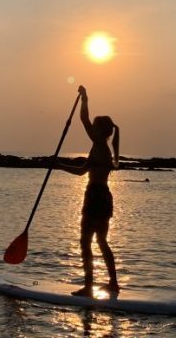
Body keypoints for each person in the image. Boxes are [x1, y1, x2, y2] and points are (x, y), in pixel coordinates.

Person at [55, 85, 120, 296]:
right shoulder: (103, 148)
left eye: (94, 126)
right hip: (104, 196)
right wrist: (60, 166)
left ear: (101, 131)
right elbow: (82, 172)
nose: (90, 128)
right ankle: (113, 283)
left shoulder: (100, 144)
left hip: (94, 196)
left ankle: (89, 287)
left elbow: (83, 119)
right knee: (101, 241)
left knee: (85, 242)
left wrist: (85, 98)